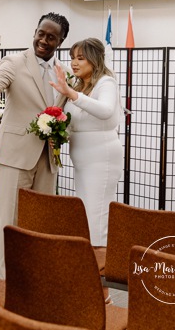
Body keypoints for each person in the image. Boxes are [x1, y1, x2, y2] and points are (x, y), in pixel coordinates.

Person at [0, 12, 70, 275]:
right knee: (10, 222)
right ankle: (10, 281)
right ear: (35, 32)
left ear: (61, 40)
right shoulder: (13, 62)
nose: (43, 40)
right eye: (40, 34)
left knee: (41, 222)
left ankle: (36, 278)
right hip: (15, 156)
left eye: (51, 37)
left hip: (48, 158)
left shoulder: (64, 73)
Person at [50, 38, 123, 247]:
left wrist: (71, 94)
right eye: (72, 57)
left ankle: (100, 268)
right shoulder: (79, 85)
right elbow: (76, 123)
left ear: (94, 59)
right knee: (86, 214)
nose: (74, 63)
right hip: (82, 161)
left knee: (97, 214)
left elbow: (106, 110)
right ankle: (89, 265)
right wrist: (57, 135)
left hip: (101, 159)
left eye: (80, 58)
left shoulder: (106, 82)